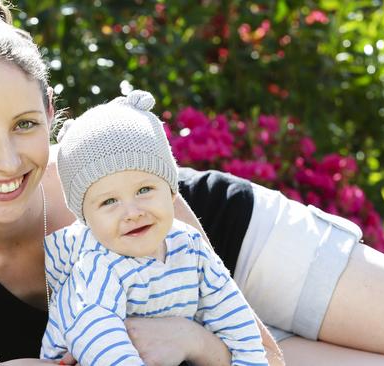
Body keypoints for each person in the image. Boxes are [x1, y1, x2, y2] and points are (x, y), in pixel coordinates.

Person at [0, 0, 384, 365]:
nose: (7, 161)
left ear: (53, 115)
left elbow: (254, 350)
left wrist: (197, 342)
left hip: (242, 254)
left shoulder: (92, 171)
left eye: (26, 124)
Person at [40, 90, 268, 365]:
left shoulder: (190, 246)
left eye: (144, 189)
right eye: (109, 201)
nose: (133, 213)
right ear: (85, 220)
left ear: (171, 191)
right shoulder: (96, 267)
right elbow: (103, 345)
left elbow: (235, 319)